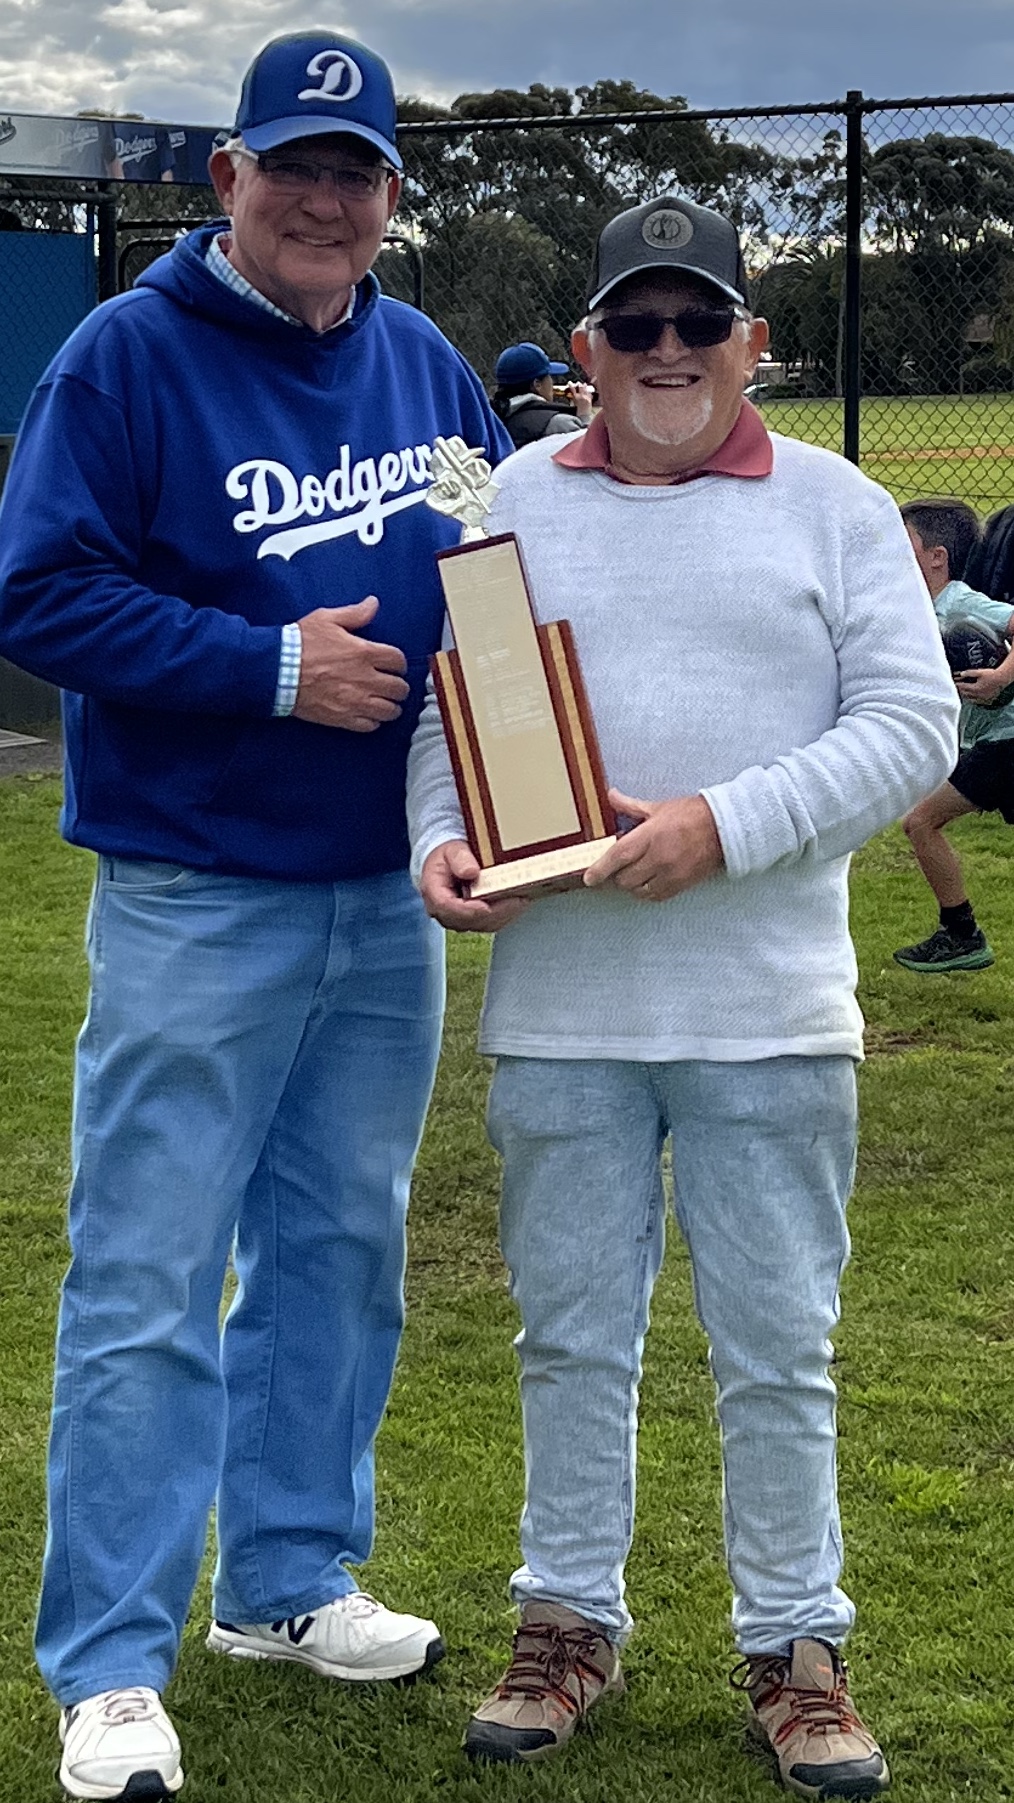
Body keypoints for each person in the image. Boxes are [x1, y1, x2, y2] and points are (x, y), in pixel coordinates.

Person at [0, 29, 509, 1803]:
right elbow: (40, 589)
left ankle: (283, 1583)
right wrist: (263, 666)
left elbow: (488, 588)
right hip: (196, 888)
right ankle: (113, 1659)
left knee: (337, 1252)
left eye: (353, 170)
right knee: (146, 1265)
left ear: (385, 198)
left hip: (381, 890)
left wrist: (517, 800)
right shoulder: (124, 356)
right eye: (289, 163)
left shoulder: (425, 360)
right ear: (226, 181)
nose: (321, 197)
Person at [408, 194, 959, 1797]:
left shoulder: (837, 507)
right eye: (632, 326)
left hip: (767, 1007)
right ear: (585, 347)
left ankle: (796, 1646)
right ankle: (564, 1620)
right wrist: (442, 843)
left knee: (775, 1344)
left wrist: (722, 826)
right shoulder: (507, 499)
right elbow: (459, 733)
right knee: (569, 1337)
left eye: (696, 324)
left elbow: (910, 728)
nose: (664, 353)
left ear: (752, 345)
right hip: (562, 1005)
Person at [893, 498, 1014, 973]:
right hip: (991, 744)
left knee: (920, 822)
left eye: (905, 545)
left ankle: (962, 935)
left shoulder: (960, 602)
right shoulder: (916, 612)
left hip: (1007, 740)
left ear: (936, 557)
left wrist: (1002, 677)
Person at [491, 341, 594, 448]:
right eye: (549, 377)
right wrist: (584, 416)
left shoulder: (495, 418)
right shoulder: (558, 423)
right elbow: (590, 453)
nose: (552, 382)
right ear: (537, 384)